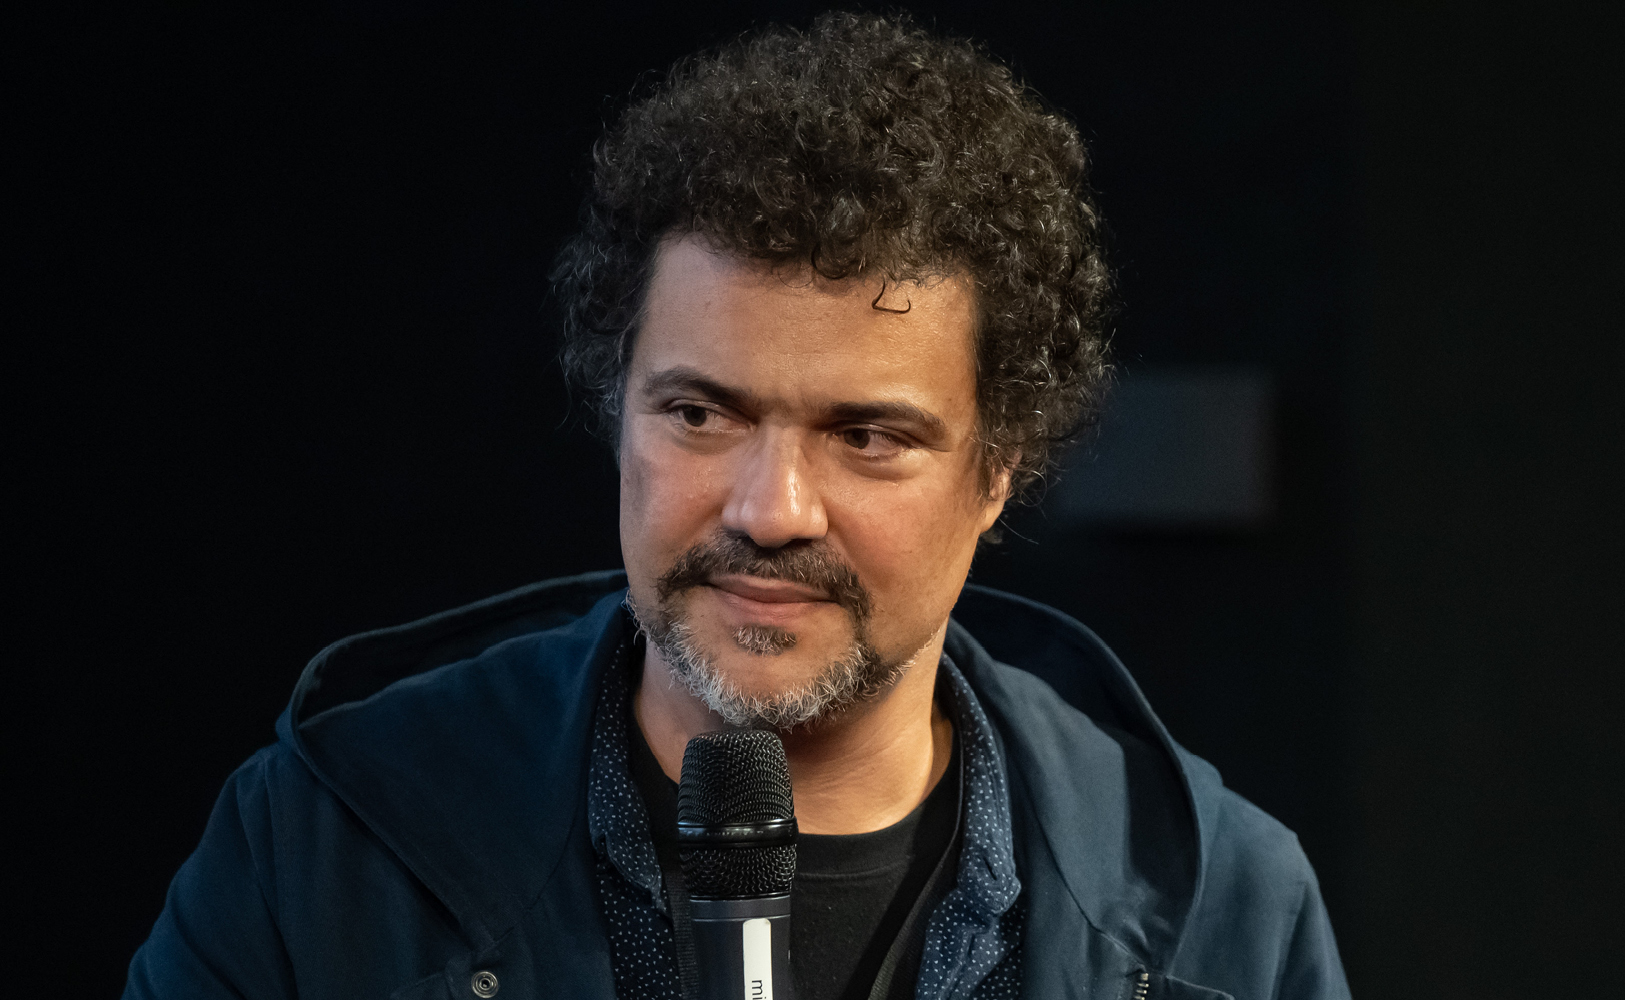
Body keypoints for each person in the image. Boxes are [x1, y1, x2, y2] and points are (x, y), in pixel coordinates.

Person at [124, 13, 1350, 1000]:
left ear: (996, 470)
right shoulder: (325, 845)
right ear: (618, 409)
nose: (769, 510)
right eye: (701, 415)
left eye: (866, 437)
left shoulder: (1220, 910)